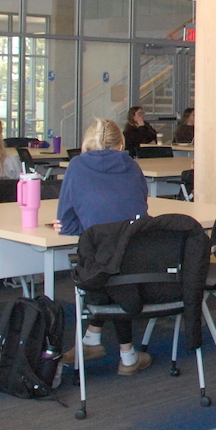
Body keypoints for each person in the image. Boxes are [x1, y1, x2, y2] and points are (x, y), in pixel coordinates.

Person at [57, 118, 152, 376]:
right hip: (138, 260)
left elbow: (66, 223)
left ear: (87, 143)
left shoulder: (76, 166)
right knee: (113, 262)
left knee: (105, 264)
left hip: (102, 265)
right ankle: (96, 342)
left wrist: (90, 227)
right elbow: (141, 209)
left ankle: (122, 353)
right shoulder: (132, 166)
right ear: (121, 144)